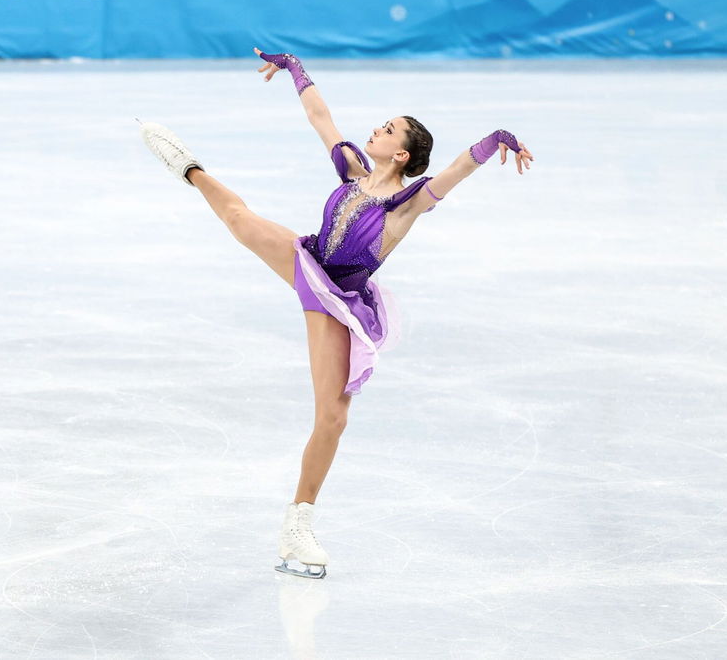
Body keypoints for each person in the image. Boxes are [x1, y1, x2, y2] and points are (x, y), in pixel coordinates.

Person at [138, 48, 534, 578]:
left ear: (402, 155)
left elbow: (458, 169)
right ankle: (186, 165)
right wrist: (295, 68)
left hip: (338, 300)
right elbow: (320, 118)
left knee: (332, 416)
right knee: (237, 215)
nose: (378, 129)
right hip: (307, 258)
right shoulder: (352, 171)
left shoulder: (408, 202)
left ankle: (297, 522)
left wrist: (497, 138)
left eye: (389, 129)